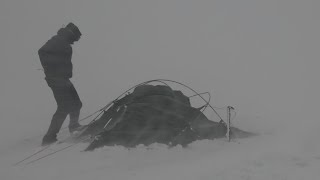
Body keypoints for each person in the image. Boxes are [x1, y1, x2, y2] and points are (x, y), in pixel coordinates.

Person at [38, 23, 84, 146]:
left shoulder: (63, 42)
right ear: (71, 34)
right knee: (64, 107)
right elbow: (41, 51)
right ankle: (49, 138)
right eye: (76, 38)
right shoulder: (57, 41)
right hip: (57, 80)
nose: (75, 41)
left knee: (77, 103)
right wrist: (54, 69)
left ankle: (74, 126)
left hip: (63, 79)